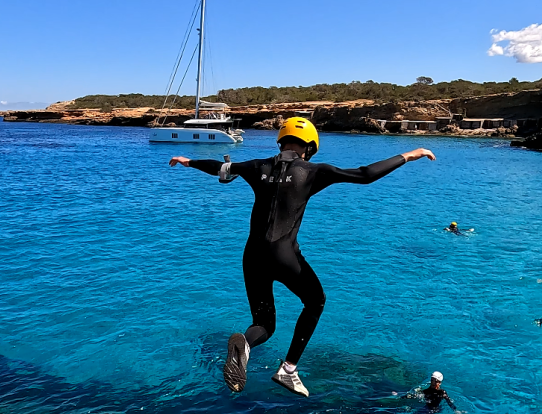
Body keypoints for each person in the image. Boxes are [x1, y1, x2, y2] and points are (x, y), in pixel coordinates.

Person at [169, 117, 436, 397]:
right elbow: (365, 174)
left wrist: (189, 162)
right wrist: (409, 154)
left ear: (281, 141)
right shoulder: (313, 170)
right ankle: (288, 370)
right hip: (283, 254)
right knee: (315, 300)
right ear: (309, 147)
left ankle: (245, 346)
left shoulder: (256, 166)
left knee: (263, 324)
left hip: (252, 256)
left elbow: (219, 168)